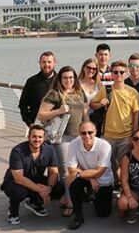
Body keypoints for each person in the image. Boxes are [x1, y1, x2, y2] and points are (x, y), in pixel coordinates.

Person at [35, 66, 89, 218]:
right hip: (62, 138)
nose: (68, 81)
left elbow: (84, 113)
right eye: (65, 78)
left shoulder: (79, 92)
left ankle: (67, 196)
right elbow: (41, 115)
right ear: (60, 79)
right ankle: (71, 203)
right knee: (65, 171)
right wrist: (58, 111)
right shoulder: (54, 94)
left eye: (71, 77)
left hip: (78, 136)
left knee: (79, 168)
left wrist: (89, 130)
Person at [90, 60, 139, 188]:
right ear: (111, 73)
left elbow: (136, 114)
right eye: (115, 72)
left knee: (124, 164)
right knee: (108, 163)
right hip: (108, 134)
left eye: (121, 72)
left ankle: (123, 187)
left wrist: (133, 135)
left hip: (126, 135)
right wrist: (101, 103)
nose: (119, 74)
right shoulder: (106, 89)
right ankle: (113, 185)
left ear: (126, 73)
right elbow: (92, 104)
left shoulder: (132, 92)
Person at [1, 124, 64, 225]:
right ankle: (13, 212)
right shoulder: (18, 151)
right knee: (18, 191)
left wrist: (49, 188)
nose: (37, 139)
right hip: (14, 182)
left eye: (40, 137)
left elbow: (54, 172)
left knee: (59, 187)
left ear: (44, 138)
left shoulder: (49, 149)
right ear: (28, 137)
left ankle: (33, 202)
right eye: (34, 136)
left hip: (35, 179)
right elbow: (19, 178)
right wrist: (41, 190)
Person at [65, 121, 114, 230]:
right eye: (83, 133)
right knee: (73, 181)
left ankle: (91, 197)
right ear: (79, 133)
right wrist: (91, 178)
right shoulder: (73, 144)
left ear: (96, 132)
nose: (87, 135)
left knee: (103, 213)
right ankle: (78, 215)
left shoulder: (104, 145)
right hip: (85, 176)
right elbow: (71, 169)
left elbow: (100, 172)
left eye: (90, 132)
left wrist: (79, 173)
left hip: (102, 179)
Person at [18, 51, 57, 127]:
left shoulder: (60, 81)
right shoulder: (32, 81)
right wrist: (29, 123)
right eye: (44, 62)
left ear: (55, 62)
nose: (46, 65)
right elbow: (23, 104)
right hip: (37, 126)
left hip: (57, 126)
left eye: (49, 62)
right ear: (39, 63)